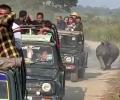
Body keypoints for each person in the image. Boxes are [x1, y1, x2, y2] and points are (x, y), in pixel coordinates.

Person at [0, 4, 26, 99]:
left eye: (3, 14)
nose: (1, 16)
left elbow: (19, 45)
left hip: (9, 60)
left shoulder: (7, 24)